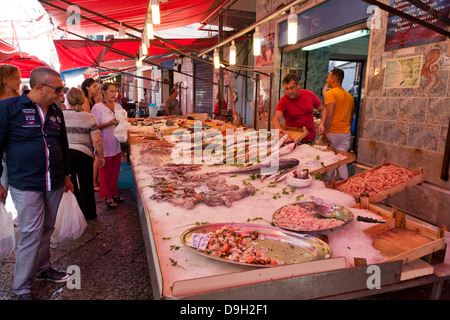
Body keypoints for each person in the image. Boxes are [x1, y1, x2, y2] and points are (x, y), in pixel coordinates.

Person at [0, 66, 74, 299]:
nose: (62, 95)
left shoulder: (56, 111)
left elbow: (63, 145)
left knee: (47, 230)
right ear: (39, 87)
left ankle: (43, 268)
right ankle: (22, 287)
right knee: (31, 232)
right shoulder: (8, 107)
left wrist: (68, 175)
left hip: (55, 180)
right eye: (58, 89)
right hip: (25, 182)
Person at [63, 88, 106, 220]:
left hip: (65, 153)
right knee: (86, 183)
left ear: (68, 100)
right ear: (82, 100)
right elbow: (96, 140)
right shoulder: (88, 117)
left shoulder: (60, 115)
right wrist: (101, 156)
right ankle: (89, 213)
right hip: (84, 153)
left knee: (70, 184)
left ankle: (74, 213)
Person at [91, 83, 125, 208]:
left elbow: (123, 121)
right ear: (104, 92)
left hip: (116, 143)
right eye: (111, 91)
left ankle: (113, 192)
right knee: (105, 170)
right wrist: (109, 123)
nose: (114, 93)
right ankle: (107, 196)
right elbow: (94, 126)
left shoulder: (118, 106)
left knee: (115, 170)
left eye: (115, 91)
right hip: (104, 144)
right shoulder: (97, 107)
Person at [273, 73, 326, 143]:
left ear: (298, 85)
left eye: (292, 88)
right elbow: (277, 118)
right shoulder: (283, 101)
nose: (290, 91)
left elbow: (323, 110)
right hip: (293, 139)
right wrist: (278, 128)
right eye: (287, 89)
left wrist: (322, 124)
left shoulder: (309, 95)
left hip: (310, 138)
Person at [323, 68, 355, 180]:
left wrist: (325, 132)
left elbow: (330, 114)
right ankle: (343, 184)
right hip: (345, 133)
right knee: (342, 161)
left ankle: (327, 186)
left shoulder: (330, 93)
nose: (326, 80)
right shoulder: (349, 96)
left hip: (333, 133)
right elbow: (351, 117)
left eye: (328, 78)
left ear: (333, 80)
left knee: (328, 162)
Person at [0, 64, 22, 197]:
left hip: (14, 152)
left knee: (10, 190)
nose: (20, 81)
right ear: (3, 79)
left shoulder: (20, 101)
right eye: (15, 78)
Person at [81, 78, 100, 190]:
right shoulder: (85, 100)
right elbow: (88, 117)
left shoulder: (92, 99)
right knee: (96, 157)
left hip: (93, 130)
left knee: (95, 157)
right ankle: (93, 183)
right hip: (88, 132)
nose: (96, 88)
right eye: (94, 86)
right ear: (87, 87)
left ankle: (94, 180)